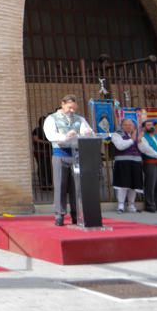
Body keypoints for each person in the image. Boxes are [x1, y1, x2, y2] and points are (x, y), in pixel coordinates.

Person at [42, 95, 95, 225]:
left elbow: (89, 133)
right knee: (60, 185)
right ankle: (59, 215)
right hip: (61, 154)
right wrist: (66, 136)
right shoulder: (51, 118)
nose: (72, 111)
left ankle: (76, 215)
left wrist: (87, 134)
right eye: (70, 108)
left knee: (77, 187)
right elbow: (50, 135)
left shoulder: (80, 119)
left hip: (76, 155)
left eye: (74, 109)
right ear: (62, 104)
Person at [110, 118, 144, 213]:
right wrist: (132, 140)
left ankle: (131, 205)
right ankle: (120, 205)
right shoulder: (116, 134)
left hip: (136, 162)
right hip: (123, 162)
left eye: (130, 125)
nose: (128, 126)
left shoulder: (136, 135)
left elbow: (143, 150)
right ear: (122, 126)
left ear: (134, 126)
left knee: (134, 185)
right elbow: (120, 146)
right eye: (126, 124)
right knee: (123, 185)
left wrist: (140, 141)